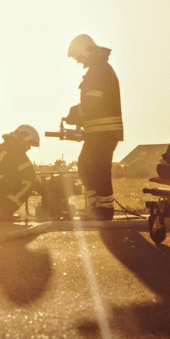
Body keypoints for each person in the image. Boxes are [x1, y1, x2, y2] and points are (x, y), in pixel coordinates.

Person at [65, 34, 123, 220]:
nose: (79, 61)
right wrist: (78, 116)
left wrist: (75, 113)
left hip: (103, 132)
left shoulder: (99, 70)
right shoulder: (100, 69)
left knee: (98, 169)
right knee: (85, 167)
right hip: (98, 131)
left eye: (79, 57)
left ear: (86, 51)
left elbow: (92, 103)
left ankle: (104, 211)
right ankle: (95, 208)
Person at [0, 125, 41, 222]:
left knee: (15, 178)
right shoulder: (16, 151)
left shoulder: (0, 147)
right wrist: (45, 191)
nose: (29, 148)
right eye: (29, 144)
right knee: (29, 183)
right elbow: (31, 176)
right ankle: (2, 211)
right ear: (23, 139)